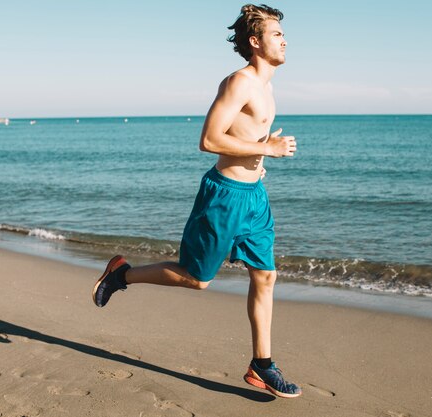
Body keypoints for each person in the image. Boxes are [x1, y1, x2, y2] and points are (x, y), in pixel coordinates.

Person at [92, 4, 301, 398]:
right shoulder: (238, 83)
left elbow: (242, 137)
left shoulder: (268, 86)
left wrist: (259, 158)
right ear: (256, 42)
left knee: (266, 276)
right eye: (276, 34)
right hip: (223, 198)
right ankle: (122, 274)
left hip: (254, 196)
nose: (284, 40)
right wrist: (269, 150)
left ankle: (262, 364)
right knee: (197, 279)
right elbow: (208, 140)